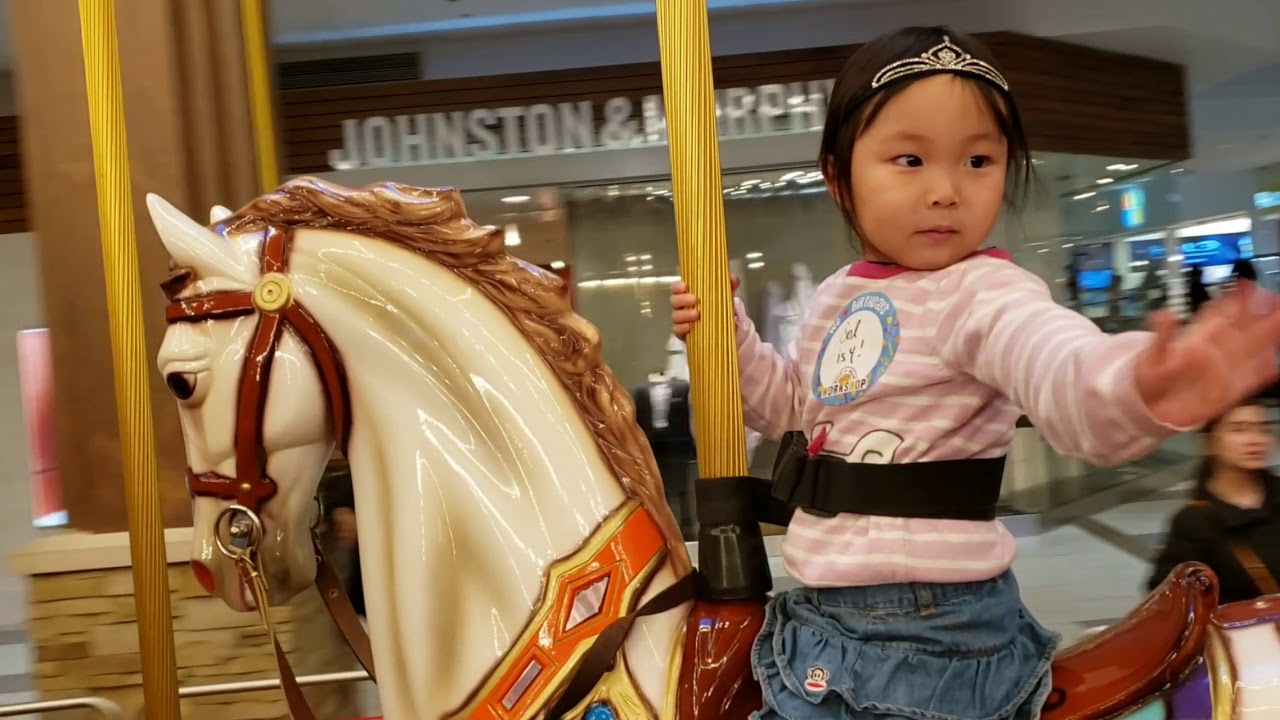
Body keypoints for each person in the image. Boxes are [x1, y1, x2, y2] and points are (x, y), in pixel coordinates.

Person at [669, 25, 1280, 720]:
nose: (946, 190)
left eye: (979, 160)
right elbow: (793, 411)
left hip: (927, 632)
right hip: (827, 615)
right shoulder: (839, 294)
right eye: (909, 159)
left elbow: (1057, 361)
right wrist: (727, 342)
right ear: (839, 177)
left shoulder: (984, 293)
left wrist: (1137, 382)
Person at [1148, 400, 1280, 604]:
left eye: (1262, 429)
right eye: (1239, 430)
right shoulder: (1196, 521)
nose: (1255, 439)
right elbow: (1167, 600)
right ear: (1209, 442)